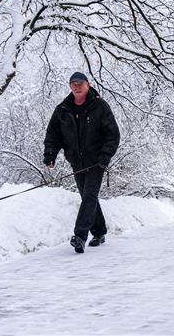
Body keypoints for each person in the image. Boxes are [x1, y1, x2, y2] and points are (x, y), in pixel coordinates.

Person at [43, 72, 120, 253]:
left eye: (80, 83)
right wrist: (50, 155)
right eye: (73, 83)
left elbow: (113, 135)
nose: (77, 86)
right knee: (88, 197)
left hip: (96, 162)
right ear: (70, 86)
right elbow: (53, 135)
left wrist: (105, 156)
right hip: (77, 163)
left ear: (88, 84)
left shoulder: (100, 106)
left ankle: (80, 236)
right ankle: (99, 232)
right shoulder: (62, 109)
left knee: (89, 195)